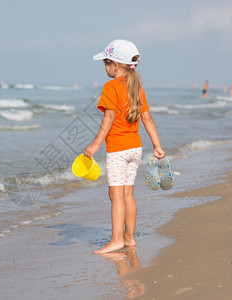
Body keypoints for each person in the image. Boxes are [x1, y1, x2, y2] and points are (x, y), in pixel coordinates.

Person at [84, 39, 165, 254]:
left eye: (106, 63)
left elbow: (108, 118)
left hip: (118, 150)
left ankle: (116, 240)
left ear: (115, 65)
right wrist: (157, 146)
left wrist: (95, 144)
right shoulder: (136, 87)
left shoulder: (111, 87)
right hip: (135, 148)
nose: (105, 68)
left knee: (116, 195)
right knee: (128, 194)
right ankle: (129, 238)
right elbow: (147, 118)